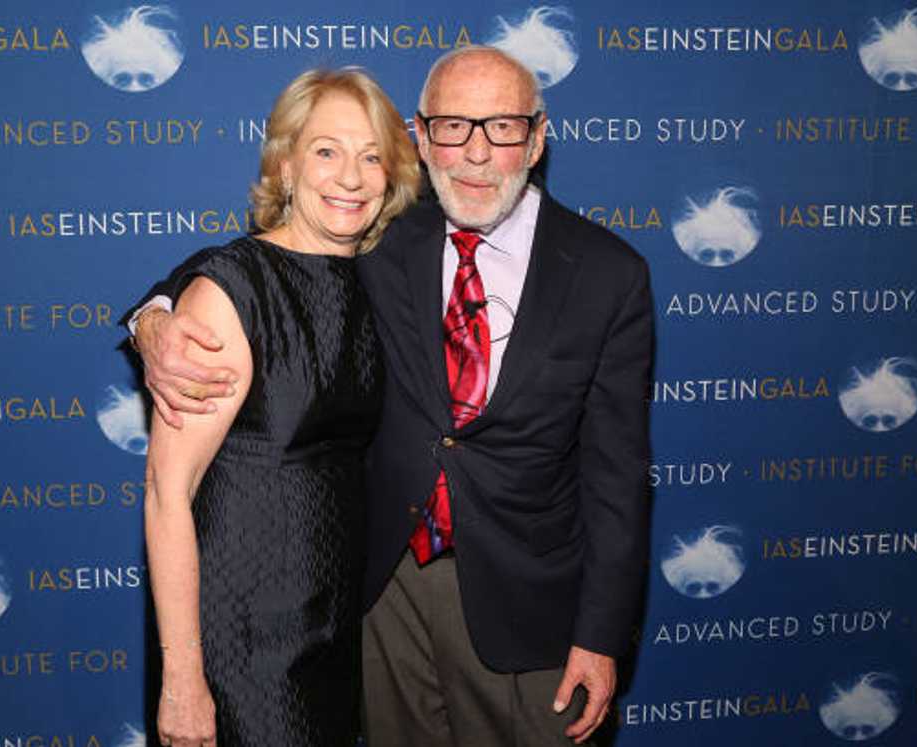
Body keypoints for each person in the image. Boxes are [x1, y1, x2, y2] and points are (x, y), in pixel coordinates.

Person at [133, 46, 652, 747]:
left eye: (500, 127)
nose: (474, 153)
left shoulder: (608, 273)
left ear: (535, 136)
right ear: (422, 135)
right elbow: (256, 264)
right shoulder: (387, 239)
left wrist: (600, 636)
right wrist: (155, 315)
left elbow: (618, 479)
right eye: (452, 127)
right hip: (384, 600)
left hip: (528, 612)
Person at [139, 67, 419, 747]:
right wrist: (183, 677)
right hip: (240, 635)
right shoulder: (235, 289)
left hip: (334, 624)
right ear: (286, 165)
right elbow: (166, 492)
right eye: (326, 151)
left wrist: (146, 310)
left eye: (371, 155)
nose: (350, 176)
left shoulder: (379, 278)